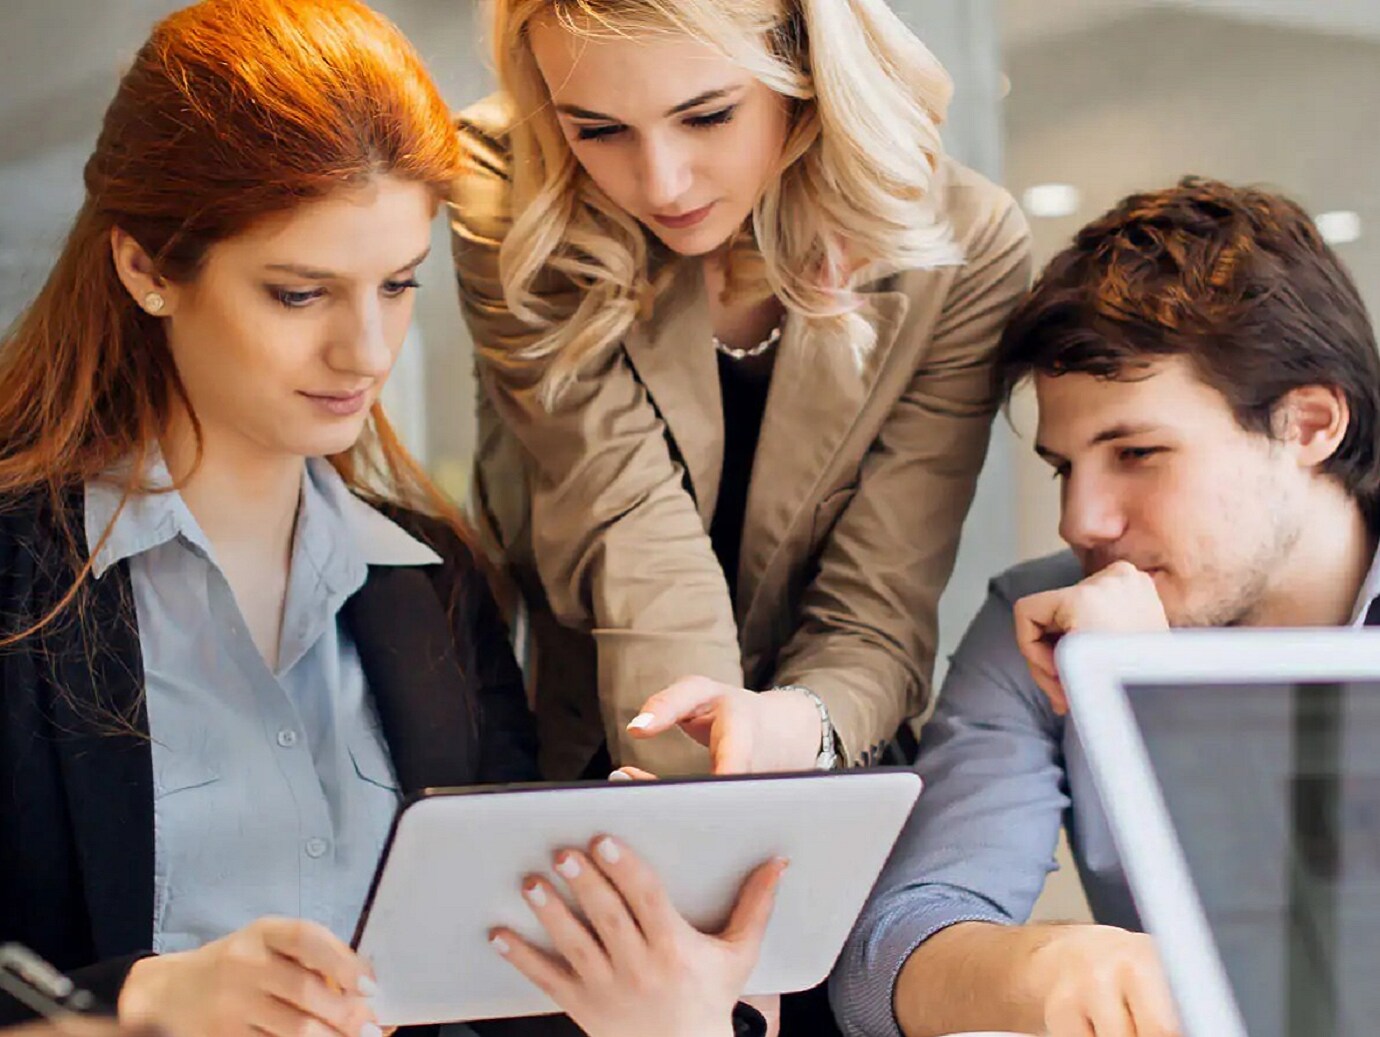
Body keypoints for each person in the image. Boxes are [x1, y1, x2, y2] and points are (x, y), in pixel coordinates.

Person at [0, 4, 783, 1037]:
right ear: (147, 269)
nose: (366, 352)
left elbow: (492, 990)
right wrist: (142, 997)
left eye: (399, 284)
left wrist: (636, 960)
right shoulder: (21, 578)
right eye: (297, 293)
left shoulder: (435, 581)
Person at [829, 176, 1380, 1037]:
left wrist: (1157, 699)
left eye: (1138, 452)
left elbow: (1326, 981)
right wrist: (1046, 968)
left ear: (1308, 424)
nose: (1081, 520)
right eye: (1065, 466)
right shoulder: (1044, 612)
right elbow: (886, 960)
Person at [451, 0, 1033, 782]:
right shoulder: (509, 177)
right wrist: (696, 805)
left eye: (707, 116)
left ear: (805, 67)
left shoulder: (966, 247)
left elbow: (879, 601)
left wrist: (798, 729)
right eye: (598, 129)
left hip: (828, 749)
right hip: (606, 749)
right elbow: (628, 520)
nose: (660, 181)